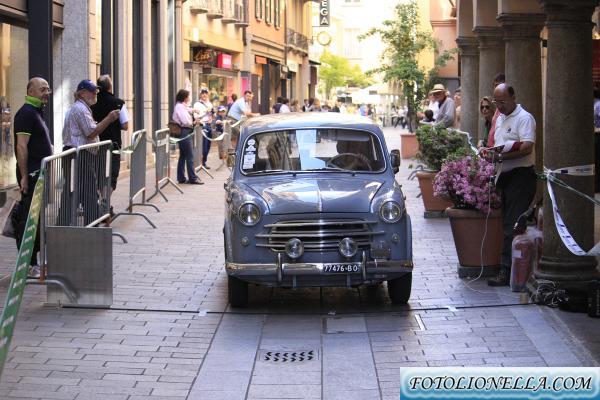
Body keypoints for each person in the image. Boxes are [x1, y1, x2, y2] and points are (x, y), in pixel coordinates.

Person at [485, 84, 537, 286]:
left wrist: (501, 155)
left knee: (512, 225)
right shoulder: (501, 118)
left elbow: (526, 147)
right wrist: (490, 154)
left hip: (520, 177)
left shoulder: (524, 118)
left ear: (513, 97)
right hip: (504, 176)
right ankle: (513, 270)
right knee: (507, 222)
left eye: (503, 102)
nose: (500, 106)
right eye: (496, 102)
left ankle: (507, 271)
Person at [13, 77, 53, 277]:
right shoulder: (26, 113)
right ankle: (27, 264)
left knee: (35, 219)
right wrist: (24, 177)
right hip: (31, 174)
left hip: (38, 173)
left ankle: (33, 260)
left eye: (48, 89)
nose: (46, 92)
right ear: (30, 91)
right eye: (42, 89)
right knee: (28, 220)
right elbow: (21, 146)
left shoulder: (36, 112)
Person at [91, 75, 129, 191]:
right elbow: (125, 125)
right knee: (112, 175)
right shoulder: (118, 103)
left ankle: (102, 201)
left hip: (95, 144)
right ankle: (105, 203)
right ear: (110, 87)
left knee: (99, 174)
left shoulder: (92, 104)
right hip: (113, 144)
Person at [62, 79, 120, 150]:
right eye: (92, 91)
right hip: (80, 153)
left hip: (80, 152)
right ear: (82, 93)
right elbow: (91, 133)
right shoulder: (81, 108)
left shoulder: (80, 107)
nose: (95, 93)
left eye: (96, 90)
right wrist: (109, 118)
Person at [173, 89, 203, 185]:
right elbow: (185, 121)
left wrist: (194, 110)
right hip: (184, 131)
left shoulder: (181, 105)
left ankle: (181, 178)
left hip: (184, 131)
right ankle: (192, 178)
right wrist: (194, 122)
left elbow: (188, 109)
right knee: (190, 155)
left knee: (183, 155)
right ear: (184, 97)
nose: (189, 98)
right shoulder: (180, 107)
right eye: (188, 96)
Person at [193, 88, 214, 169]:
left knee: (208, 146)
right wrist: (205, 111)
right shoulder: (197, 104)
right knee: (203, 146)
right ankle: (200, 163)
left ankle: (204, 162)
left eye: (205, 93)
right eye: (202, 93)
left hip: (209, 125)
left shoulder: (210, 104)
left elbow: (212, 115)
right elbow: (196, 117)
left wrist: (211, 116)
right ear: (200, 94)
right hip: (202, 126)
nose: (204, 94)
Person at [486, 73, 506, 148]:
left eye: (499, 85)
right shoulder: (498, 109)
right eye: (495, 86)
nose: (496, 88)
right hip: (492, 151)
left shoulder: (506, 110)